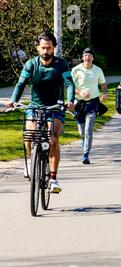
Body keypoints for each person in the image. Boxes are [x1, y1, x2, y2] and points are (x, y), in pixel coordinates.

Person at [6, 32, 75, 193]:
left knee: (53, 138)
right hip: (35, 106)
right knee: (29, 132)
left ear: (54, 48)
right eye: (43, 48)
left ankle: (53, 179)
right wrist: (13, 100)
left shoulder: (61, 64)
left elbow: (69, 84)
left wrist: (70, 100)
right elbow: (21, 83)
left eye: (49, 48)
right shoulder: (31, 64)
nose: (45, 51)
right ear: (38, 47)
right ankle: (31, 160)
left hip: (55, 107)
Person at [71, 48, 108, 164]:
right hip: (79, 103)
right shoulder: (76, 70)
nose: (87, 57)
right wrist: (80, 93)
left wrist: (105, 93)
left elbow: (103, 83)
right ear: (82, 58)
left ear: (93, 58)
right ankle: (84, 140)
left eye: (89, 56)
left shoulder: (98, 70)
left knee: (88, 130)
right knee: (82, 132)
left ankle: (86, 155)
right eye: (85, 55)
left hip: (93, 102)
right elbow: (70, 86)